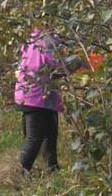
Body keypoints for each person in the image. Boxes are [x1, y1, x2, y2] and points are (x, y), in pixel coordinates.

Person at [13, 28, 82, 173]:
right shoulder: (48, 41)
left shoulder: (33, 36)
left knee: (50, 133)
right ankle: (18, 174)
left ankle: (52, 168)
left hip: (39, 95)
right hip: (35, 96)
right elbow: (57, 66)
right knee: (35, 138)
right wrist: (79, 63)